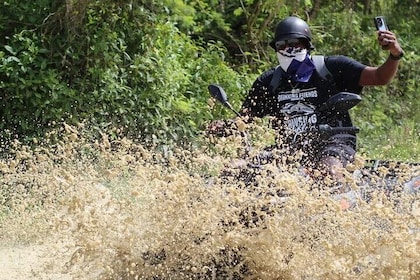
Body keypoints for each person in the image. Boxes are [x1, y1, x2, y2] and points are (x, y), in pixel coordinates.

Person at [208, 16, 404, 181]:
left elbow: (380, 77)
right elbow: (244, 121)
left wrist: (394, 54)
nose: (289, 49)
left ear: (307, 45)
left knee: (329, 171)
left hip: (334, 144)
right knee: (234, 168)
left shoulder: (331, 68)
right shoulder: (270, 81)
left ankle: (343, 211)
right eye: (282, 45)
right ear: (276, 49)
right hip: (288, 148)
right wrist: (224, 127)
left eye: (295, 43)